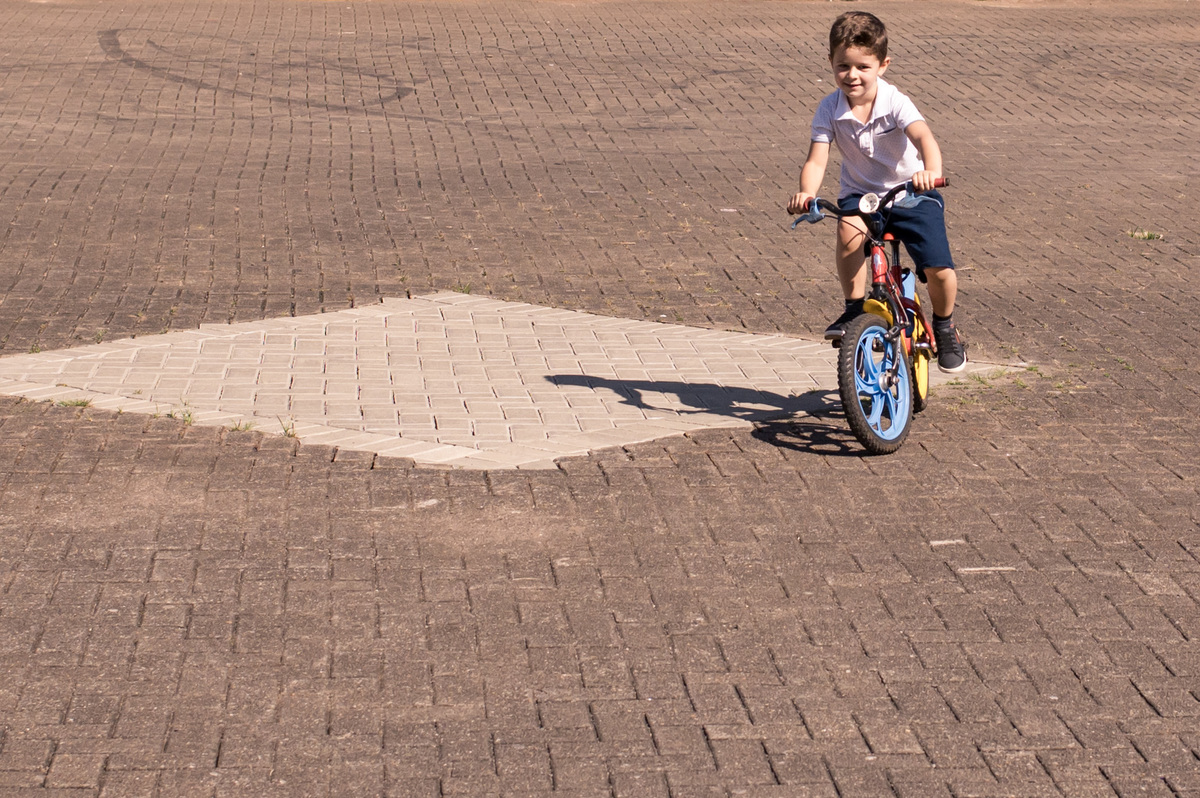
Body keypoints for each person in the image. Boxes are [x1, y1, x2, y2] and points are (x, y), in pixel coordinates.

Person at [787, 11, 967, 372]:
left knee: (938, 268)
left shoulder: (895, 101)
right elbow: (816, 160)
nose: (852, 75)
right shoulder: (828, 108)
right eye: (843, 66)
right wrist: (807, 193)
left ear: (882, 66)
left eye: (862, 67)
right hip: (863, 195)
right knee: (847, 228)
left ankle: (945, 326)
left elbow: (923, 137)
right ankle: (854, 309)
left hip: (910, 192)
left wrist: (931, 172)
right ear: (831, 63)